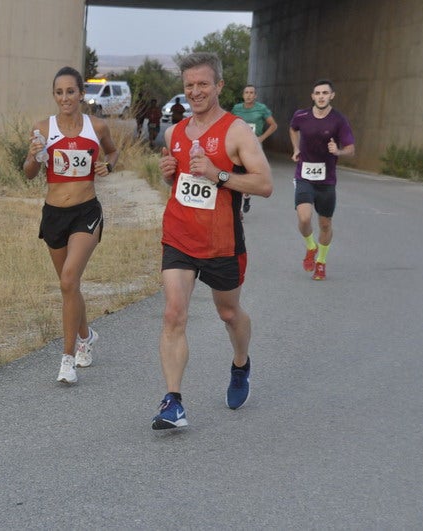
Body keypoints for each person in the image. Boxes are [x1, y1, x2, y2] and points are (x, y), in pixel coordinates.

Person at [152, 52, 273, 429]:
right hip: (179, 235)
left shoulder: (237, 131)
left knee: (228, 313)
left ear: (219, 86)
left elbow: (264, 184)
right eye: (189, 85)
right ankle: (173, 402)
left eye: (203, 84)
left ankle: (241, 365)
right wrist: (169, 175)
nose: (196, 91)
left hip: (222, 242)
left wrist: (220, 175)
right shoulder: (174, 132)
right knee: (174, 313)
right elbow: (180, 185)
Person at [24, 66, 119, 384]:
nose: (65, 98)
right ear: (54, 96)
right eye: (59, 92)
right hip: (54, 214)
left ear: (81, 93)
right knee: (70, 286)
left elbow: (113, 152)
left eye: (70, 91)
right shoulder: (42, 128)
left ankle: (68, 359)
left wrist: (108, 165)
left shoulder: (97, 126)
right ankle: (87, 335)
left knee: (68, 279)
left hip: (86, 212)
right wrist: (34, 156)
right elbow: (28, 173)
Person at [289, 79, 355, 281]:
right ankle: (311, 246)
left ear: (331, 95)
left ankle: (321, 262)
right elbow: (293, 128)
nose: (321, 96)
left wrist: (339, 151)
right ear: (313, 96)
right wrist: (296, 148)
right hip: (304, 175)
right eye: (317, 93)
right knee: (304, 217)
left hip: (327, 180)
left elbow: (351, 150)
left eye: (325, 93)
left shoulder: (339, 120)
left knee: (325, 224)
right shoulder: (301, 115)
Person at [231, 85, 278, 214]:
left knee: (249, 173)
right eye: (246, 92)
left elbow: (273, 125)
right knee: (238, 173)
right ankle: (239, 208)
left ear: (255, 95)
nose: (249, 95)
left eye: (252, 93)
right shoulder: (237, 109)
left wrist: (262, 138)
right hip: (239, 144)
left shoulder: (261, 109)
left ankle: (246, 196)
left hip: (254, 146)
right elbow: (230, 124)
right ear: (243, 95)